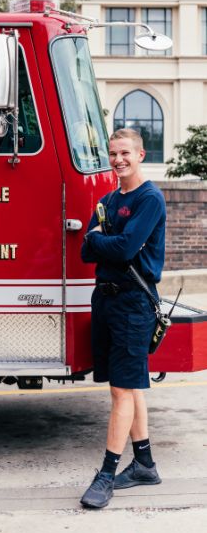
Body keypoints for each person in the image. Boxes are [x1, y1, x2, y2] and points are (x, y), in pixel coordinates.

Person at [79, 128, 166, 509]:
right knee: (130, 386)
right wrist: (100, 241)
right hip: (107, 301)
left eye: (125, 153)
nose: (119, 160)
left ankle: (106, 475)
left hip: (134, 303)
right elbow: (84, 251)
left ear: (141, 154)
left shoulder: (150, 198)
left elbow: (127, 247)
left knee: (121, 391)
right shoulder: (109, 199)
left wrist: (100, 239)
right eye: (113, 154)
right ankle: (144, 464)